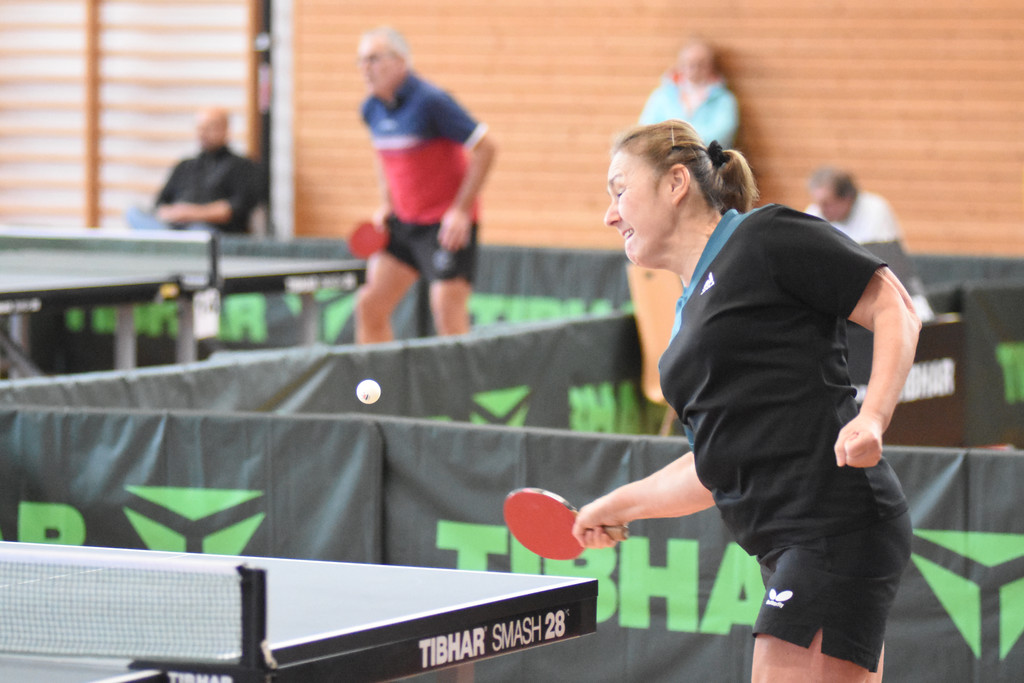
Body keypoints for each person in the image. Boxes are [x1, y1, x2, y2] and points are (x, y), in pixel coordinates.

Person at [573, 120, 921, 682]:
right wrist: (618, 505)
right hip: (793, 543)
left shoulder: (765, 238)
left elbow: (895, 307)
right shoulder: (688, 318)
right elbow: (714, 466)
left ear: (676, 183)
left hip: (831, 523)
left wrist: (874, 416)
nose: (610, 215)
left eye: (620, 191)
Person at [354, 27, 497, 343]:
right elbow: (384, 157)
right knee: (369, 305)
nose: (365, 68)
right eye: (361, 61)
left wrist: (460, 211)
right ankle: (380, 376)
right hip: (404, 223)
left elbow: (486, 148)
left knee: (447, 313)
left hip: (444, 228)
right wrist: (387, 203)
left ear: (400, 61)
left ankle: (459, 379)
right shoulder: (370, 109)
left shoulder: (432, 102)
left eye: (374, 59)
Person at [125, 107, 264, 234]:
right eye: (200, 128)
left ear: (225, 129)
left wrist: (191, 214)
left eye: (209, 128)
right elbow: (160, 205)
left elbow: (234, 210)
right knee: (134, 213)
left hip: (210, 230)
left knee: (199, 231)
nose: (203, 133)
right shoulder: (185, 165)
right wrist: (173, 214)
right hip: (175, 228)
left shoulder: (241, 166)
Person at [638, 38, 739, 148]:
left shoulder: (724, 99)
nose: (694, 69)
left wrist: (678, 142)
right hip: (666, 157)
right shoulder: (661, 96)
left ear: (710, 66)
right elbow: (646, 131)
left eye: (701, 64)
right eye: (688, 63)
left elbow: (721, 135)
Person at [805, 166, 903, 245]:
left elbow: (884, 255)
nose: (821, 210)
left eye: (827, 204)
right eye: (818, 204)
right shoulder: (814, 213)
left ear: (847, 198)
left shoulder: (875, 209)